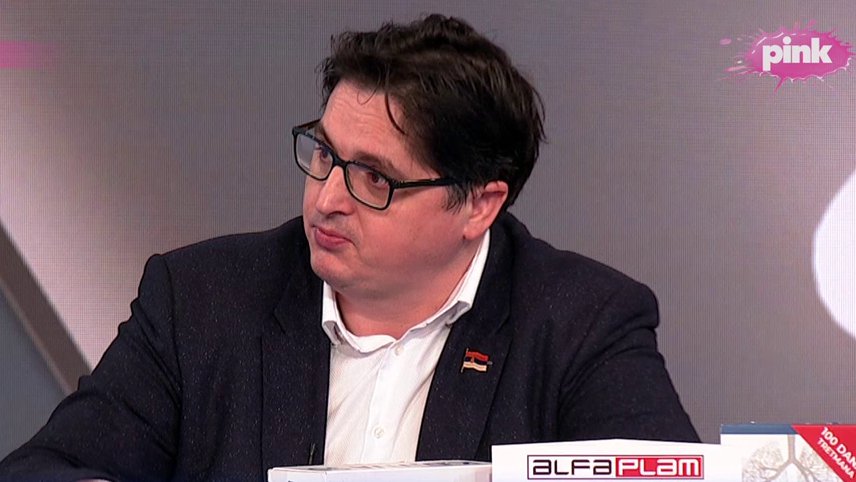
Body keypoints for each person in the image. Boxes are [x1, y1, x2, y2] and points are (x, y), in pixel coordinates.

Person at [0, 14, 698, 482]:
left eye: (374, 179)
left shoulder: (581, 323)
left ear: (480, 205)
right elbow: (51, 469)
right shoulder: (201, 300)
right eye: (324, 154)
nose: (327, 198)